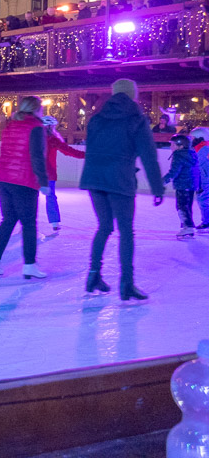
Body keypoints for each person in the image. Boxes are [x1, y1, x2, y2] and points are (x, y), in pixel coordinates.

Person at [79, 79, 165, 300]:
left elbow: (93, 149)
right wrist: (157, 187)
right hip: (119, 180)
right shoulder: (136, 119)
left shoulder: (96, 118)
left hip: (95, 179)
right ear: (133, 95)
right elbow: (148, 155)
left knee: (104, 227)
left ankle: (93, 274)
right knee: (126, 232)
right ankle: (127, 283)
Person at [0, 96, 50, 279]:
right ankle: (29, 265)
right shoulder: (36, 127)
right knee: (28, 223)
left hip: (2, 177)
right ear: (36, 109)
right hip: (23, 180)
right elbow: (37, 157)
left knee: (8, 219)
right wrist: (43, 182)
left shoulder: (10, 125)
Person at [41, 116, 84, 231]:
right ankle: (54, 222)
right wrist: (86, 155)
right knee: (50, 198)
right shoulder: (52, 139)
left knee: (30, 198)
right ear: (50, 127)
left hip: (32, 173)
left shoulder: (33, 138)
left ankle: (23, 223)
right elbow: (68, 151)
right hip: (48, 173)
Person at [163, 134, 200, 239]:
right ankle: (187, 227)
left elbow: (174, 172)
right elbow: (197, 171)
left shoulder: (178, 155)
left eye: (172, 144)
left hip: (182, 185)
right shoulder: (192, 154)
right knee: (187, 206)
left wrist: (161, 182)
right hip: (191, 185)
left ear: (180, 145)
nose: (171, 147)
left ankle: (188, 227)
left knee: (181, 207)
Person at [190, 127, 209, 230]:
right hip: (204, 181)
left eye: (192, 138)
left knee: (203, 200)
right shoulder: (201, 149)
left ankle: (206, 222)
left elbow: (202, 169)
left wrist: (200, 183)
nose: (191, 140)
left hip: (205, 181)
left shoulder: (203, 151)